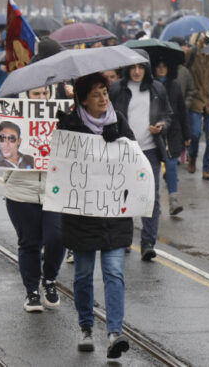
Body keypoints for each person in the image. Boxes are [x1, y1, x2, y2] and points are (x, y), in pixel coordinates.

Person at [56, 74, 133, 358]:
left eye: (105, 92)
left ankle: (114, 332)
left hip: (113, 213)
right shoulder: (70, 125)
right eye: (96, 94)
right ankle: (86, 326)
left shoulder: (118, 121)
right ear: (83, 100)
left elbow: (133, 158)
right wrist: (64, 128)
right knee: (84, 274)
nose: (103, 99)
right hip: (82, 216)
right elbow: (60, 165)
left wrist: (120, 142)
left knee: (114, 271)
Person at [0, 87, 64, 312]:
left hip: (55, 189)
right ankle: (32, 291)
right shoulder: (14, 112)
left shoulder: (62, 111)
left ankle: (49, 279)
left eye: (44, 93)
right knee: (29, 242)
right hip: (20, 190)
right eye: (35, 94)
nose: (41, 98)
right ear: (27, 95)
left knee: (58, 237)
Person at [109, 54, 173, 261]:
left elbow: (167, 114)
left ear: (147, 69)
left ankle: (148, 242)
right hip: (124, 149)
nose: (137, 71)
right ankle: (124, 238)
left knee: (150, 196)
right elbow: (107, 114)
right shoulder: (117, 88)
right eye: (133, 67)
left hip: (150, 149)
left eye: (141, 67)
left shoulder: (157, 88)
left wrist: (162, 126)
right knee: (123, 193)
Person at [153, 58, 189, 216]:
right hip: (153, 131)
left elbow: (182, 110)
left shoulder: (175, 86)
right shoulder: (149, 86)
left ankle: (173, 200)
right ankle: (154, 202)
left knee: (171, 165)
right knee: (154, 167)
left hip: (173, 131)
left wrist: (186, 134)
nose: (161, 69)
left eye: (164, 66)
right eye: (158, 66)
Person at [185, 31, 209, 180]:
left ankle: (207, 168)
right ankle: (192, 156)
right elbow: (183, 70)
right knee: (195, 133)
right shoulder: (192, 53)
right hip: (196, 98)